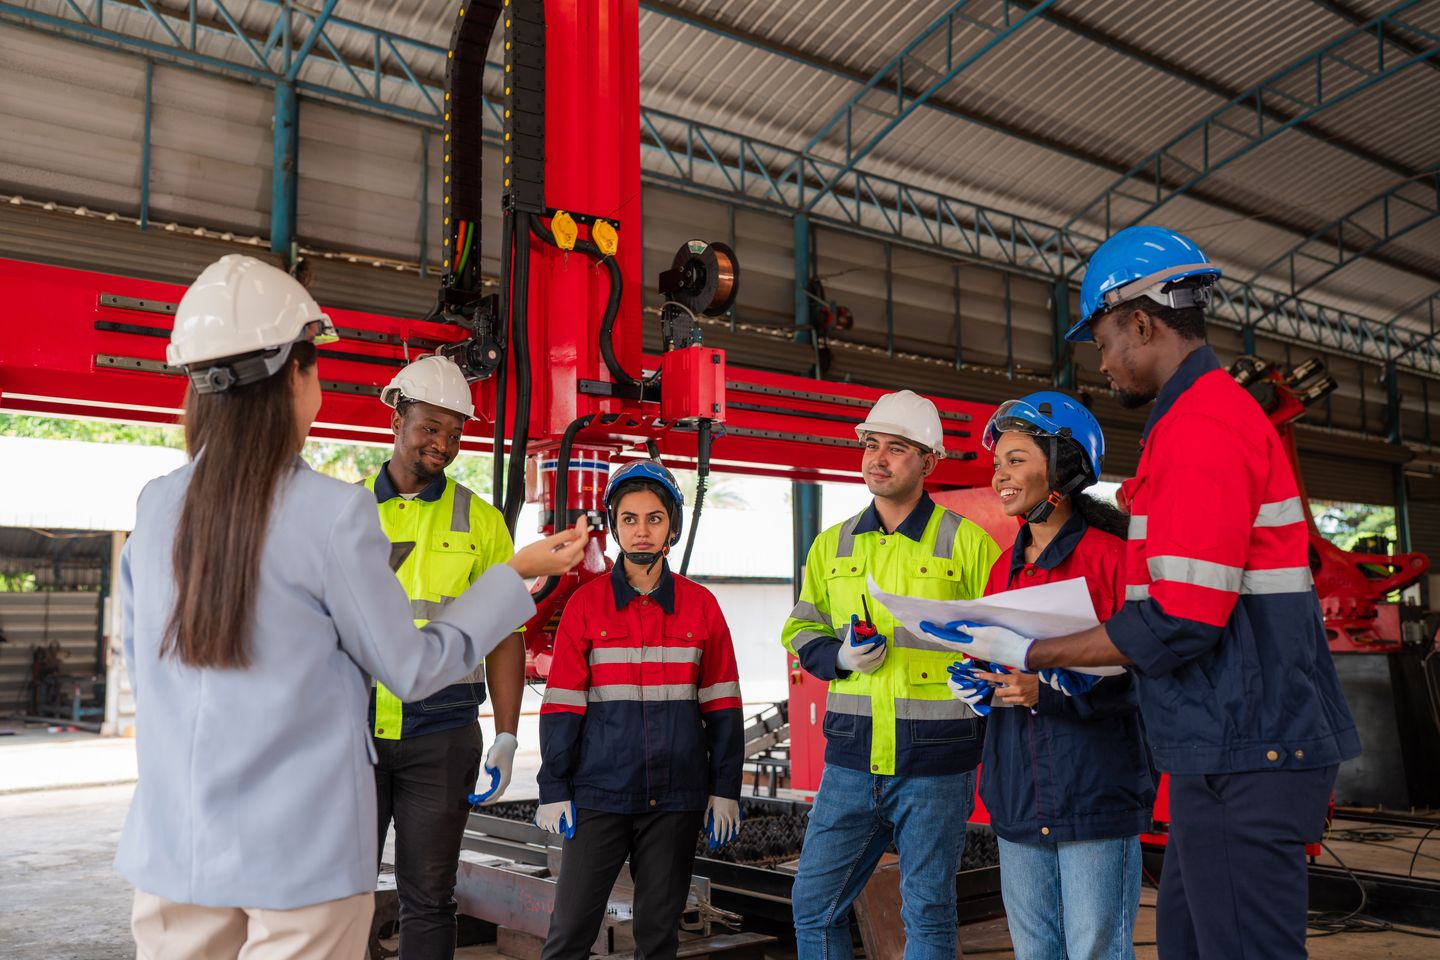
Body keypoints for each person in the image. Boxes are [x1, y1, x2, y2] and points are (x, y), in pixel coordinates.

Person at [115, 254, 588, 959]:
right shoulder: (336, 515)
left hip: (174, 848)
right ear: (295, 378)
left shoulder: (155, 507)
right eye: (315, 365)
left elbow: (147, 672)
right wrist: (513, 579)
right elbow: (412, 665)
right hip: (302, 853)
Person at [923, 227, 1362, 960]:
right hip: (1218, 741)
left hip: (1248, 742)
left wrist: (1032, 652)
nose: (1102, 361)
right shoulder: (1189, 424)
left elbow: (1182, 617)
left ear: (1141, 321)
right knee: (1192, 943)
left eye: (1101, 341)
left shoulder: (1202, 427)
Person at [782, 389, 1000, 960]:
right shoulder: (831, 546)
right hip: (851, 763)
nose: (877, 458)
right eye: (870, 445)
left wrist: (981, 672)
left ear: (928, 462)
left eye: (896, 448)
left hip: (936, 764)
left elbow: (1004, 644)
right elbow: (801, 629)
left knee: (927, 912)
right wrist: (838, 658)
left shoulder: (967, 543)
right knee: (813, 906)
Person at [948, 390, 1153, 960]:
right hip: (1018, 796)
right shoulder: (1000, 570)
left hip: (1094, 791)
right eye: (997, 464)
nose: (1000, 476)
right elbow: (998, 664)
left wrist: (1053, 691)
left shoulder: (1114, 559)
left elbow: (1150, 677)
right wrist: (978, 684)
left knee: (1094, 950)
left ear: (1061, 467)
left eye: (1016, 460)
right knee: (1035, 952)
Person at [535, 460, 744, 960]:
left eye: (654, 518)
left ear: (672, 525)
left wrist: (725, 789)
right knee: (569, 935)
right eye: (629, 519)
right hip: (599, 796)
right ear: (614, 524)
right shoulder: (586, 606)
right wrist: (552, 787)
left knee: (658, 938)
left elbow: (723, 705)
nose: (642, 530)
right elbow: (563, 704)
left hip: (675, 801)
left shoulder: (702, 607)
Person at [365, 354, 526, 959]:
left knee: (430, 896)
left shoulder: (481, 523)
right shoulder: (345, 511)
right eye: (430, 426)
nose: (443, 443)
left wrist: (506, 734)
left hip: (442, 731)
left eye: (455, 432)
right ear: (397, 420)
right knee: (339, 892)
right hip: (352, 731)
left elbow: (507, 634)